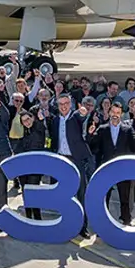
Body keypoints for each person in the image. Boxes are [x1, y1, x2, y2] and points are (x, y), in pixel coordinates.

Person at [47, 94, 95, 236]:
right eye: (61, 103)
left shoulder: (75, 117)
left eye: (66, 103)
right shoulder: (55, 121)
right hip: (62, 160)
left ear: (71, 104)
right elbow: (53, 139)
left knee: (81, 192)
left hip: (76, 160)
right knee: (64, 193)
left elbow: (82, 116)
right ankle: (66, 223)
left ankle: (83, 226)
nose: (63, 106)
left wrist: (83, 113)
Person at [91, 104, 135, 225]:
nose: (115, 115)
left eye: (118, 112)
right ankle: (103, 223)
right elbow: (93, 147)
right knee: (104, 197)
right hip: (106, 168)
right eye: (113, 112)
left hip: (123, 168)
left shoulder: (127, 129)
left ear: (121, 114)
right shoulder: (102, 129)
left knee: (124, 197)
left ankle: (126, 220)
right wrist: (90, 134)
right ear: (109, 113)